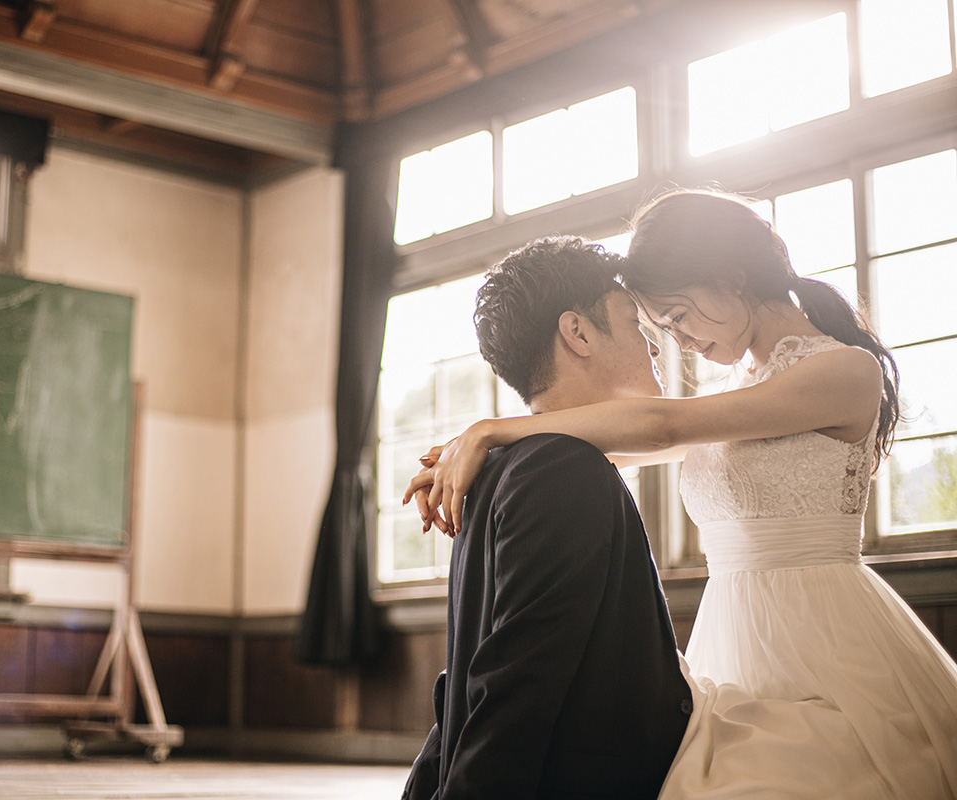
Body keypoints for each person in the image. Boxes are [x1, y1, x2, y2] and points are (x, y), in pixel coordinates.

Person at [405, 190, 957, 798]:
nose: (680, 341)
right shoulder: (737, 394)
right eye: (663, 326)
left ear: (731, 278)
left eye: (677, 315)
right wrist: (475, 459)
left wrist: (490, 429)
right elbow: (602, 444)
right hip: (738, 630)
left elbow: (661, 427)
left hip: (823, 629)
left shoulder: (845, 372)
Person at [401, 236, 694, 799]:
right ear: (577, 333)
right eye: (634, 321)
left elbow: (466, 683)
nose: (654, 345)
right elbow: (515, 685)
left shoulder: (492, 466)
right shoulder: (565, 469)